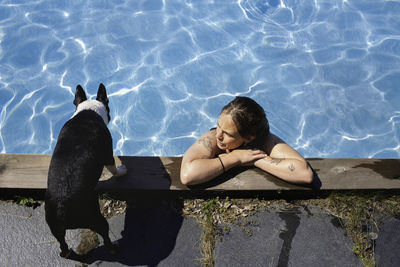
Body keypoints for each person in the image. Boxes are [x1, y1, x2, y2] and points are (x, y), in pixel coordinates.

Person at [180, 96, 314, 186]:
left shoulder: (265, 140)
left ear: (249, 138)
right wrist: (235, 158)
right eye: (218, 125)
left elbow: (305, 174)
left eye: (227, 133)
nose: (219, 135)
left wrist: (254, 158)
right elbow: (187, 175)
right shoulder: (212, 137)